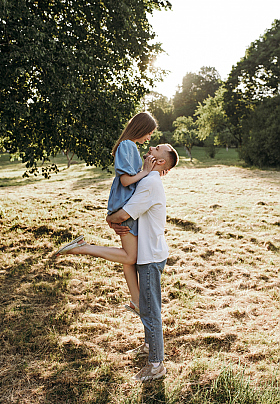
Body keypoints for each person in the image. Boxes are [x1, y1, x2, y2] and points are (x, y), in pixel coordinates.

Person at [54, 143, 179, 381]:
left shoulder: (151, 184)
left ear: (160, 162)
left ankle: (156, 366)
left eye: (156, 149)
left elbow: (123, 215)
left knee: (151, 311)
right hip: (146, 254)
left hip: (150, 257)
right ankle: (149, 347)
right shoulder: (147, 180)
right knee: (145, 305)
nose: (150, 147)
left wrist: (109, 218)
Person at [56, 112, 157, 316]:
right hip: (125, 207)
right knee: (130, 256)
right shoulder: (127, 145)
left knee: (129, 258)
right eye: (149, 133)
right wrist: (145, 171)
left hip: (126, 206)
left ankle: (136, 302)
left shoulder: (130, 147)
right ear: (141, 128)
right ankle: (84, 248)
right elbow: (126, 181)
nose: (149, 138)